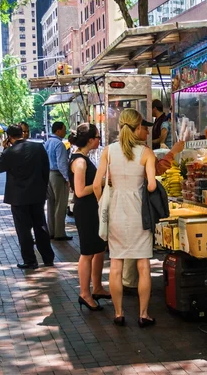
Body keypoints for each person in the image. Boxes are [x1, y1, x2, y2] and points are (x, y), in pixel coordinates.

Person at [94, 109, 157, 328]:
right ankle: (143, 314)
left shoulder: (109, 151)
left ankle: (119, 314)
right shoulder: (146, 152)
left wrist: (103, 202)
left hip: (116, 213)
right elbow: (151, 185)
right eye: (143, 126)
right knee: (143, 266)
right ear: (138, 127)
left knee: (116, 266)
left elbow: (96, 184)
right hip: (139, 214)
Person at [122, 120, 185, 290]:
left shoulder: (116, 150)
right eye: (145, 129)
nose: (148, 133)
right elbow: (156, 173)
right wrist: (173, 152)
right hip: (138, 203)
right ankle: (132, 284)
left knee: (130, 242)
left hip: (124, 203)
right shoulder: (143, 152)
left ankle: (128, 280)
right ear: (136, 129)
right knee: (139, 244)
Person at [0, 124, 55, 269]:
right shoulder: (38, 147)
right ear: (22, 133)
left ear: (9, 136)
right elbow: (45, 169)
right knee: (40, 226)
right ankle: (48, 258)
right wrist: (43, 187)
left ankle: (30, 260)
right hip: (37, 194)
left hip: (18, 197)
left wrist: (5, 149)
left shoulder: (10, 152)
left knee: (23, 230)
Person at [68, 123, 111, 311]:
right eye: (98, 137)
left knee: (98, 249)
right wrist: (101, 182)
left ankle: (98, 287)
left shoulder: (83, 158)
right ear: (91, 140)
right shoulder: (80, 162)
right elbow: (79, 191)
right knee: (87, 253)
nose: (99, 141)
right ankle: (85, 293)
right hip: (85, 210)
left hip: (92, 208)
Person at [44, 122, 72, 241]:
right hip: (58, 175)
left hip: (49, 175)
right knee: (61, 205)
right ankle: (59, 233)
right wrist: (67, 178)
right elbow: (62, 164)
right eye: (64, 129)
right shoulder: (59, 144)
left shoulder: (47, 142)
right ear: (58, 131)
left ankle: (51, 231)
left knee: (51, 204)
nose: (65, 132)